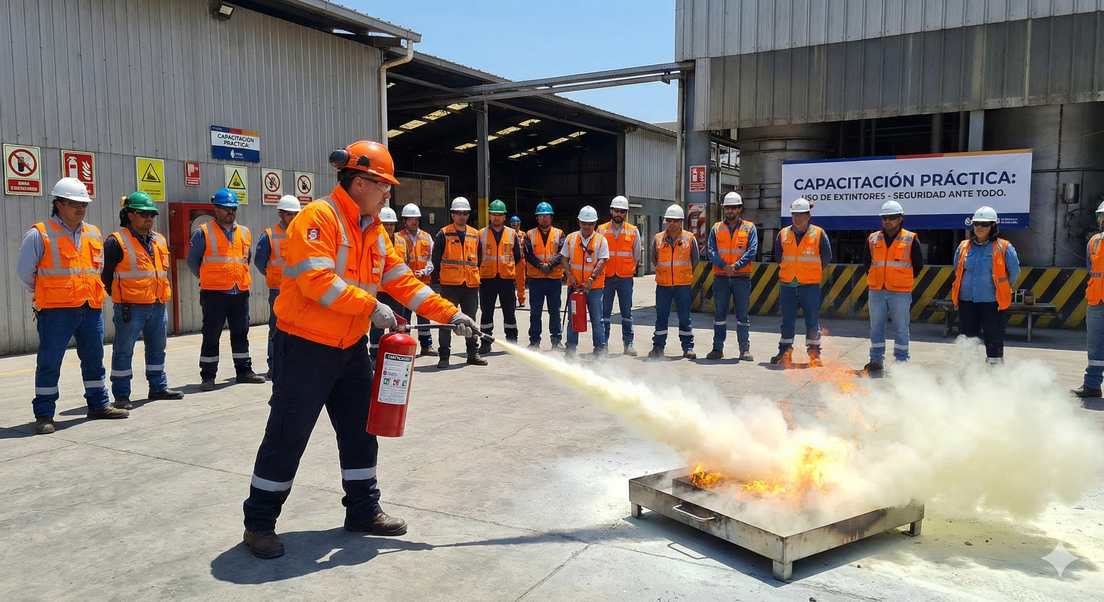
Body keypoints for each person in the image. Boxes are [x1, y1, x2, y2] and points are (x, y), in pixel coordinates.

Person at [242, 140, 478, 559]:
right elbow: (317, 282)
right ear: (359, 181)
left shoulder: (373, 230)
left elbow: (402, 281)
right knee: (287, 436)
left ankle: (363, 510)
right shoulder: (319, 219)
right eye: (384, 185)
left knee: (360, 431)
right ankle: (260, 523)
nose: (390, 193)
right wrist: (372, 307)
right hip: (305, 347)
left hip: (349, 349)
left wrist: (448, 313)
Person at [17, 177, 129, 434]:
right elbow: (24, 272)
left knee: (94, 358)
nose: (81, 208)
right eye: (74, 204)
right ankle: (44, 414)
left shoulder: (93, 232)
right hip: (56, 311)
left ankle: (99, 405)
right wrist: (48, 293)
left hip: (90, 307)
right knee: (50, 361)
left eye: (84, 204)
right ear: (58, 205)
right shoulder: (40, 233)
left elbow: (96, 268)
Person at [102, 192, 184, 410]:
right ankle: (121, 394)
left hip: (157, 305)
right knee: (124, 350)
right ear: (130, 215)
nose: (149, 218)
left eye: (152, 214)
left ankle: (158, 387)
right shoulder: (116, 241)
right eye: (144, 214)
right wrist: (121, 296)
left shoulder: (159, 240)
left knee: (157, 348)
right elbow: (105, 275)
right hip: (130, 306)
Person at [187, 188, 265, 390]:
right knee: (211, 335)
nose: (230, 212)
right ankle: (208, 376)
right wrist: (209, 278)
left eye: (233, 209)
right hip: (215, 293)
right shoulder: (203, 232)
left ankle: (244, 371)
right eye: (226, 209)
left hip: (240, 292)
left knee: (241, 333)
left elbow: (245, 259)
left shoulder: (244, 232)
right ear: (216, 210)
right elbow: (193, 261)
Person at [951, 205, 1020, 365]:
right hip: (967, 301)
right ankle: (969, 374)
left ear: (993, 226)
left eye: (984, 224)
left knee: (993, 338)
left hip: (992, 302)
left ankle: (994, 375)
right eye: (976, 224)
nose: (979, 227)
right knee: (968, 339)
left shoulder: (1004, 247)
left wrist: (1000, 288)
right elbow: (958, 269)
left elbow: (1014, 273)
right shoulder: (963, 247)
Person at [862, 200, 924, 372]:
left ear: (900, 219)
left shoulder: (910, 239)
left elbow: (918, 265)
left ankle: (901, 361)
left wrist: (901, 279)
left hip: (900, 292)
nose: (887, 221)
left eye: (891, 217)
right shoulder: (873, 239)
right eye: (885, 218)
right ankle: (876, 360)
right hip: (876, 291)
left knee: (901, 328)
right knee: (876, 328)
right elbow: (867, 263)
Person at [770, 198, 832, 368]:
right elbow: (778, 256)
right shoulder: (782, 234)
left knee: (812, 322)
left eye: (801, 215)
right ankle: (784, 353)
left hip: (809, 285)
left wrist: (810, 271)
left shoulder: (819, 234)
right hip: (788, 284)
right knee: (787, 322)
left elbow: (826, 257)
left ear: (808, 215)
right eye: (794, 215)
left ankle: (814, 355)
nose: (797, 218)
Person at [433, 197, 486, 368]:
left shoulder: (475, 234)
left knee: (471, 321)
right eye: (458, 213)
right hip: (450, 285)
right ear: (452, 215)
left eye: (465, 213)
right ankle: (444, 356)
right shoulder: (443, 233)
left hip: (470, 285)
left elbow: (479, 258)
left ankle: (473, 354)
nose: (462, 216)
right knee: (446, 321)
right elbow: (436, 259)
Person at [254, 195, 301, 378]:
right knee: (276, 328)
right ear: (280, 214)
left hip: (300, 290)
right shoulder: (269, 235)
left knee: (299, 329)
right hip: (279, 290)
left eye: (296, 215)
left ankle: (293, 363)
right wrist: (273, 276)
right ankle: (273, 365)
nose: (293, 218)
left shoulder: (302, 233)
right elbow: (260, 262)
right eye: (290, 214)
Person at [706, 192, 757, 361]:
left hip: (741, 277)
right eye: (727, 208)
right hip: (720, 276)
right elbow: (711, 250)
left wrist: (735, 266)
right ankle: (717, 349)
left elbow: (751, 251)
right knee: (719, 315)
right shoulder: (716, 228)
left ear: (739, 209)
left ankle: (744, 350)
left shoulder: (749, 228)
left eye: (733, 208)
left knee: (742, 316)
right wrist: (724, 266)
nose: (730, 211)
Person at [649, 204, 700, 360]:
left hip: (682, 285)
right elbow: (654, 259)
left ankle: (688, 348)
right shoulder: (658, 238)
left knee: (685, 317)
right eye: (669, 221)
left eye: (675, 221)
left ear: (681, 222)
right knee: (661, 317)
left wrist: (681, 273)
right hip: (663, 285)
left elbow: (695, 260)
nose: (672, 224)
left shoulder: (690, 238)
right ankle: (658, 347)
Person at [562, 206, 609, 356]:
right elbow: (564, 259)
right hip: (575, 287)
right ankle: (570, 350)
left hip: (594, 288)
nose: (587, 227)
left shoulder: (601, 240)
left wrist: (591, 279)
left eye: (590, 223)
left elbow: (602, 261)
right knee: (573, 319)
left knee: (597, 320)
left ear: (595, 223)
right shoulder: (571, 238)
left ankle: (599, 351)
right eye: (584, 223)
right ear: (579, 222)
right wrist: (569, 275)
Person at [597, 195, 640, 356]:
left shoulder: (633, 230)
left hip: (625, 277)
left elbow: (636, 255)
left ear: (626, 213)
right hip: (606, 276)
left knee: (627, 312)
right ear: (611, 211)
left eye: (622, 212)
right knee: (605, 312)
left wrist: (628, 268)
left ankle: (628, 344)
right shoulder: (601, 230)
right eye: (616, 211)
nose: (619, 214)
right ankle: (604, 342)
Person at [478, 199, 522, 350]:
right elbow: (477, 257)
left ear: (505, 217)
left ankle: (512, 341)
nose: (497, 218)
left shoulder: (512, 234)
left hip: (506, 279)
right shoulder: (481, 234)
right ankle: (485, 342)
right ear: (489, 216)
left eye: (500, 215)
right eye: (494, 214)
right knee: (486, 312)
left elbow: (517, 256)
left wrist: (505, 267)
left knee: (509, 312)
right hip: (487, 279)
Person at [369, 206, 411, 360]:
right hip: (379, 291)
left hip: (397, 291)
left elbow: (406, 264)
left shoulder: (402, 242)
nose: (388, 227)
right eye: (385, 224)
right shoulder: (372, 241)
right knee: (377, 325)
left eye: (391, 224)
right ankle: (374, 355)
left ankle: (394, 354)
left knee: (397, 323)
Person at [397, 203, 437, 356]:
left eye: (416, 219)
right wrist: (409, 274)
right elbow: (396, 260)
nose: (414, 222)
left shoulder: (427, 237)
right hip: (405, 284)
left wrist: (424, 271)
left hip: (422, 283)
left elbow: (431, 259)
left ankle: (426, 346)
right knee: (403, 318)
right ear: (404, 220)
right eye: (411, 219)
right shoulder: (398, 237)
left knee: (424, 316)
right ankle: (404, 346)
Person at [1073, 201, 1104, 398]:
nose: (1102, 220)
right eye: (1101, 216)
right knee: (1094, 347)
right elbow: (1091, 269)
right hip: (1097, 302)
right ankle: (1092, 386)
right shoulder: (1094, 241)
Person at [524, 202, 565, 350]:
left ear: (551, 217)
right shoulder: (529, 234)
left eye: (546, 216)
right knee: (535, 312)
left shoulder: (559, 234)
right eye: (541, 216)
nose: (544, 219)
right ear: (537, 218)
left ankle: (556, 341)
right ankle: (534, 341)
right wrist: (542, 266)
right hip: (536, 280)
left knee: (555, 312)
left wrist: (550, 265)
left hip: (554, 280)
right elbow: (528, 254)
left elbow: (562, 253)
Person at [509, 216, 526, 308]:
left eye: (517, 223)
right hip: (510, 260)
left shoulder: (523, 235)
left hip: (521, 261)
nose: (515, 225)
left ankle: (521, 299)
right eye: (513, 223)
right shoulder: (507, 234)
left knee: (521, 281)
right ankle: (510, 300)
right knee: (509, 281)